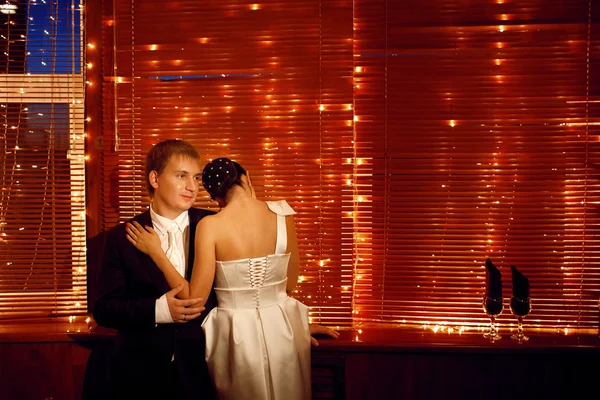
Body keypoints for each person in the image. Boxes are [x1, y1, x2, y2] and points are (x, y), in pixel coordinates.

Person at [126, 157, 317, 399]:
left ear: (216, 198)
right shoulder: (282, 213)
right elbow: (289, 284)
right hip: (283, 326)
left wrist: (157, 253)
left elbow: (195, 298)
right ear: (246, 178)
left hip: (236, 332)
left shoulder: (211, 225)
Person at [92, 139, 217, 400]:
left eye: (196, 177)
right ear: (155, 179)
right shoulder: (120, 236)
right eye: (181, 176)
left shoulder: (214, 225)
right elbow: (104, 309)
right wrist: (159, 310)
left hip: (206, 371)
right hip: (139, 376)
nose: (192, 187)